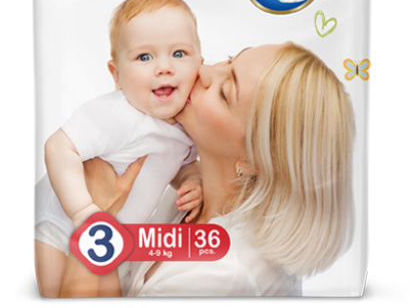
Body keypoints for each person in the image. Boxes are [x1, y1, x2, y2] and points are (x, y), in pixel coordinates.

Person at [55, 42, 356, 297]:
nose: (204, 70)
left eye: (225, 92)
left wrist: (94, 220)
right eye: (229, 60)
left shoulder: (220, 277)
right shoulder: (196, 193)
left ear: (254, 160)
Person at [33, 0, 204, 298]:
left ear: (200, 65)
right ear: (117, 75)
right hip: (59, 225)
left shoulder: (187, 126)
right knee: (55, 292)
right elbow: (57, 147)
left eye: (179, 54)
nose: (164, 67)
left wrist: (190, 180)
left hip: (114, 239)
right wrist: (82, 210)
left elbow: (182, 163)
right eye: (144, 57)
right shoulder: (116, 114)